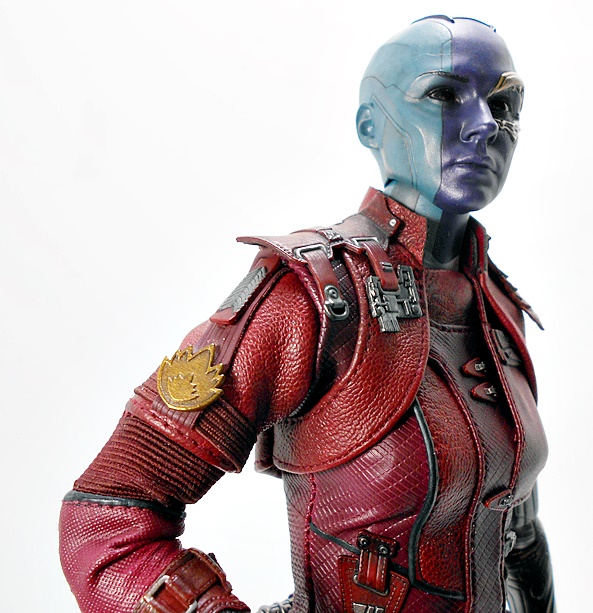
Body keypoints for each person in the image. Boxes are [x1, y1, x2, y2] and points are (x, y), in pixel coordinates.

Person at [59, 15, 556, 613]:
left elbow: (518, 534)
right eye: (445, 95)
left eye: (504, 105)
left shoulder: (496, 304)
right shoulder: (313, 296)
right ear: (370, 124)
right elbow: (105, 520)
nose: (485, 126)